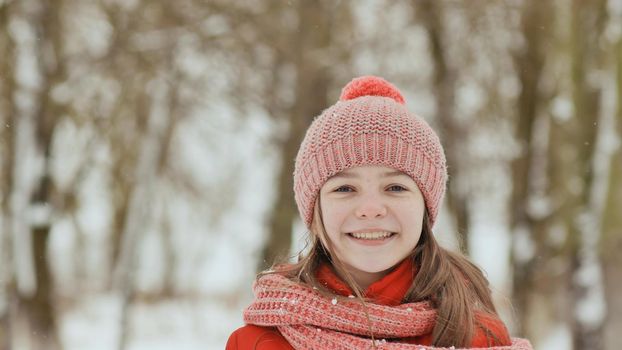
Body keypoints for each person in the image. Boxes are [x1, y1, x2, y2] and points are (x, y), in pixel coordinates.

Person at [226, 76, 533, 349]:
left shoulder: (475, 335)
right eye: (344, 189)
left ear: (425, 209)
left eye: (396, 188)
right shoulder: (257, 342)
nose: (370, 210)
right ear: (313, 210)